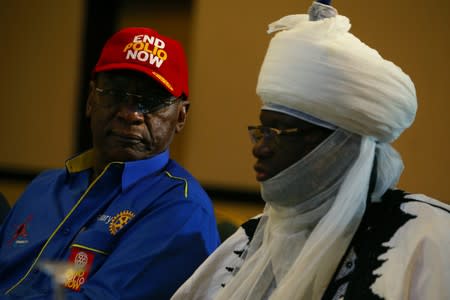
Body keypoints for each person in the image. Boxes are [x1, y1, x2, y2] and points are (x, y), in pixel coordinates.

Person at [171, 1, 450, 299]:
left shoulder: (427, 239)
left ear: (340, 146)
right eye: (262, 131)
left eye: (280, 132)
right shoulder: (251, 239)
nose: (261, 148)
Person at [0, 27, 221, 299]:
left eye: (151, 102)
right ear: (92, 100)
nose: (130, 114)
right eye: (115, 94)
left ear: (181, 116)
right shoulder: (44, 187)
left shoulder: (181, 209)